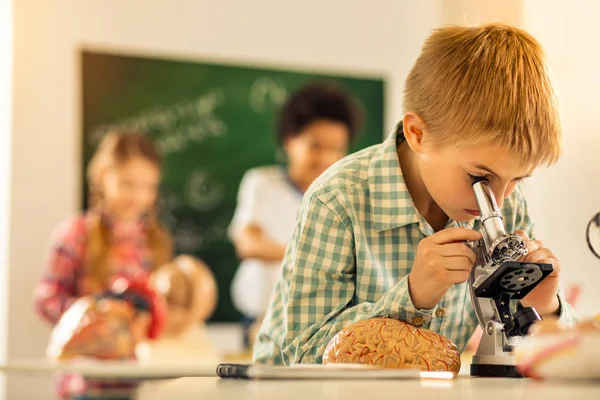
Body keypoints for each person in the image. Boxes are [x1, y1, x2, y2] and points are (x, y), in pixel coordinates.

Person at [253, 23, 578, 365]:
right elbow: (302, 355)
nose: (498, 201)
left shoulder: (509, 204)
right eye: (480, 177)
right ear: (418, 134)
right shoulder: (336, 200)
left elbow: (521, 346)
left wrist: (544, 308)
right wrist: (412, 296)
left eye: (518, 180)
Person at [34, 130, 172, 398]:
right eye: (127, 183)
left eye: (148, 187)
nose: (138, 196)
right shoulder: (75, 233)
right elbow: (45, 298)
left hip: (134, 383)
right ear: (102, 177)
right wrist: (93, 319)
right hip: (82, 385)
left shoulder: (155, 241)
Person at [228, 81, 362, 347]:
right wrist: (318, 258)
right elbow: (248, 244)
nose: (326, 158)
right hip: (262, 322)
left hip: (325, 328)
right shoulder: (262, 183)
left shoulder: (346, 196)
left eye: (336, 149)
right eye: (315, 146)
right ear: (289, 141)